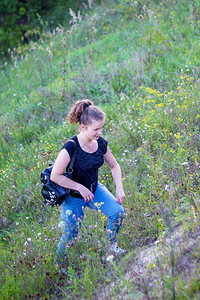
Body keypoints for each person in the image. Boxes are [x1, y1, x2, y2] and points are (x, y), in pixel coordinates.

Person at [50, 99, 125, 268]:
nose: (100, 132)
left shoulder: (100, 144)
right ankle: (60, 266)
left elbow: (114, 165)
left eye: (101, 128)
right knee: (71, 234)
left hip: (94, 189)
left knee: (117, 213)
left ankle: (110, 247)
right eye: (96, 129)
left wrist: (119, 188)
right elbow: (55, 175)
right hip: (73, 196)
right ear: (83, 127)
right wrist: (79, 187)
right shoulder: (71, 147)